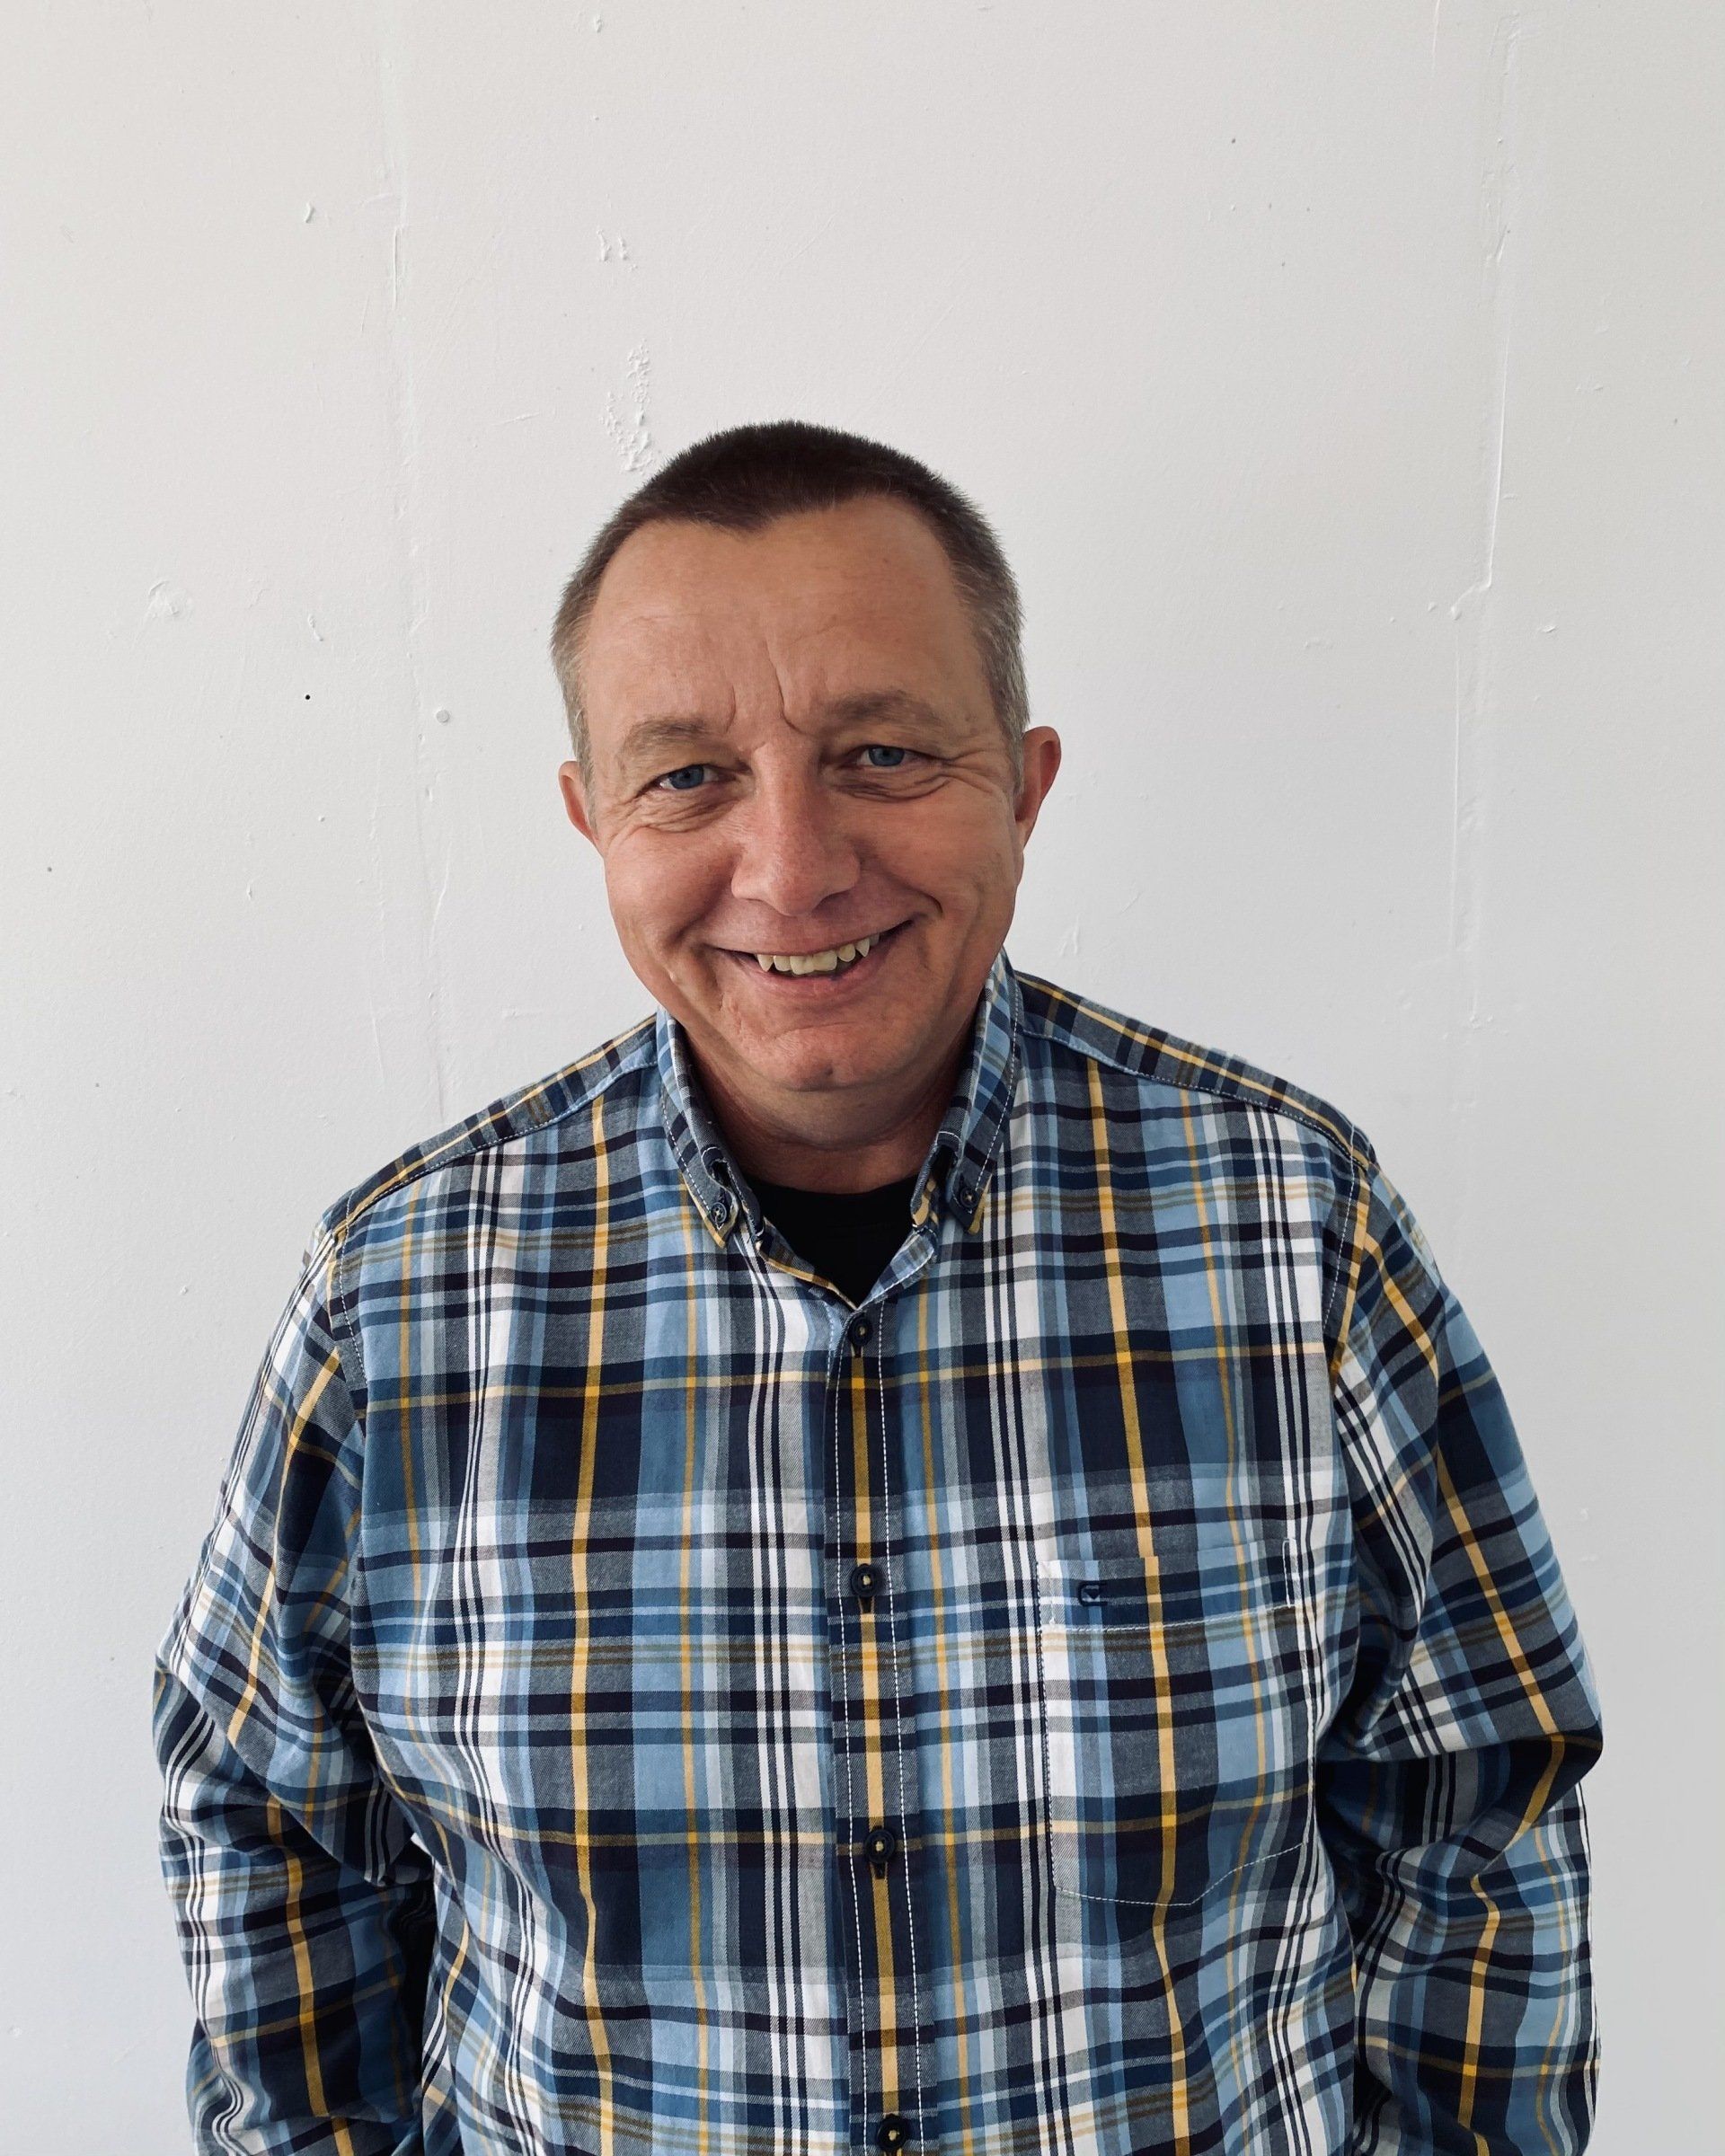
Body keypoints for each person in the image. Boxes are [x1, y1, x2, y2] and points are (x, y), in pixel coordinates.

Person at [153, 420, 1603, 2156]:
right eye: (688, 777)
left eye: (885, 753)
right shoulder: (398, 1299)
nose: (792, 867)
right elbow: (264, 1820)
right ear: (592, 817)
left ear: (1027, 783)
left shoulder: (1295, 1232)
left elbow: (1478, 1797)